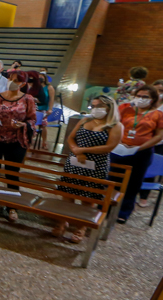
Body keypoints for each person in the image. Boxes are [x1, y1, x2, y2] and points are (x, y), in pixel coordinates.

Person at [52, 96, 123, 242]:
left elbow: (109, 146)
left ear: (109, 108)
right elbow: (71, 138)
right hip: (74, 163)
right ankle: (64, 221)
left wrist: (82, 150)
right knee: (67, 194)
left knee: (88, 198)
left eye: (100, 106)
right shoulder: (85, 120)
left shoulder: (115, 126)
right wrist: (75, 149)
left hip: (95, 166)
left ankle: (81, 227)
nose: (96, 109)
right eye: (94, 105)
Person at [0, 70, 37, 222]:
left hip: (15, 142)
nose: (12, 82)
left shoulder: (28, 99)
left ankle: (12, 206)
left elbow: (31, 121)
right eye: (11, 79)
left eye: (16, 80)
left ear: (22, 84)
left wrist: (23, 125)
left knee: (12, 174)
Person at [110, 85, 163, 223]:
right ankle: (105, 207)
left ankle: (123, 211)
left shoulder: (159, 114)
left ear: (153, 99)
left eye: (145, 97)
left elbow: (159, 136)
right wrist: (118, 143)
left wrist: (140, 147)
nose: (141, 99)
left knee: (133, 183)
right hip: (119, 149)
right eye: (138, 96)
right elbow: (114, 125)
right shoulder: (125, 108)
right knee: (112, 180)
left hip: (141, 152)